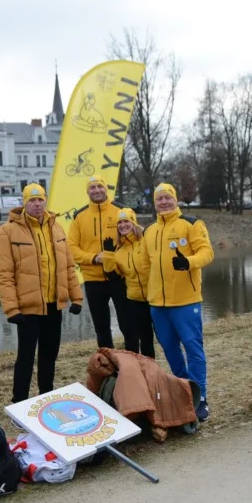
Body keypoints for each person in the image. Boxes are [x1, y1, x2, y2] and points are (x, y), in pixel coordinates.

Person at [0, 183, 83, 403]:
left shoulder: (57, 227)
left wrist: (76, 296)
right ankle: (20, 401)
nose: (36, 204)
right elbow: (3, 274)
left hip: (54, 305)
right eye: (31, 200)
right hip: (28, 308)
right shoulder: (7, 231)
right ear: (24, 203)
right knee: (25, 357)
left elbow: (68, 267)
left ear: (45, 201)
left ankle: (46, 397)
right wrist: (12, 308)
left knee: (49, 355)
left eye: (40, 199)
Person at [142, 182, 215, 421]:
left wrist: (189, 262)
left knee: (193, 349)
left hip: (185, 301)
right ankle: (186, 391)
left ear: (175, 200)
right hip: (158, 305)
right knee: (171, 350)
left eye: (167, 198)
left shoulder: (191, 224)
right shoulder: (149, 230)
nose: (163, 202)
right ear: (154, 203)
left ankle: (200, 396)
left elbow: (207, 252)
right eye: (159, 198)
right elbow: (145, 266)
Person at [67, 175, 130, 349]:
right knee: (101, 329)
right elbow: (71, 247)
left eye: (100, 187)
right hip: (93, 280)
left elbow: (133, 242)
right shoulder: (79, 216)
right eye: (92, 187)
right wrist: (93, 258)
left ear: (106, 188)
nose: (96, 190)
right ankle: (108, 369)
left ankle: (133, 366)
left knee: (128, 325)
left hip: (119, 277)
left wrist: (114, 259)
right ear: (87, 191)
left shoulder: (121, 211)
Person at [103, 207, 155, 358]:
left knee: (162, 337)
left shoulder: (145, 240)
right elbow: (112, 275)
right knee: (144, 339)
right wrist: (107, 254)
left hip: (154, 297)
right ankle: (144, 373)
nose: (123, 225)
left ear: (133, 222)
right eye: (120, 222)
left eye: (126, 221)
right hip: (135, 300)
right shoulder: (119, 251)